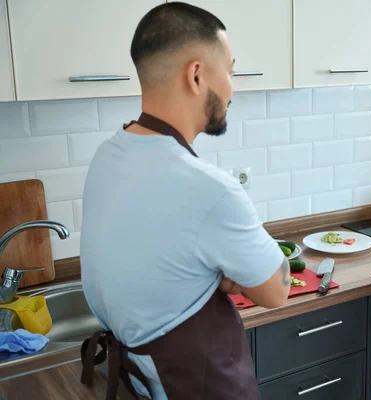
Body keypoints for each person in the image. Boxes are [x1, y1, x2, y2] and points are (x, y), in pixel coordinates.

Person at [79, 3, 290, 399]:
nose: (232, 86)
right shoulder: (211, 189)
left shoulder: (107, 156)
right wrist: (228, 272)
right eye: (229, 70)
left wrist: (216, 269)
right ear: (196, 75)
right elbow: (277, 290)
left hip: (138, 382)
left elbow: (152, 256)